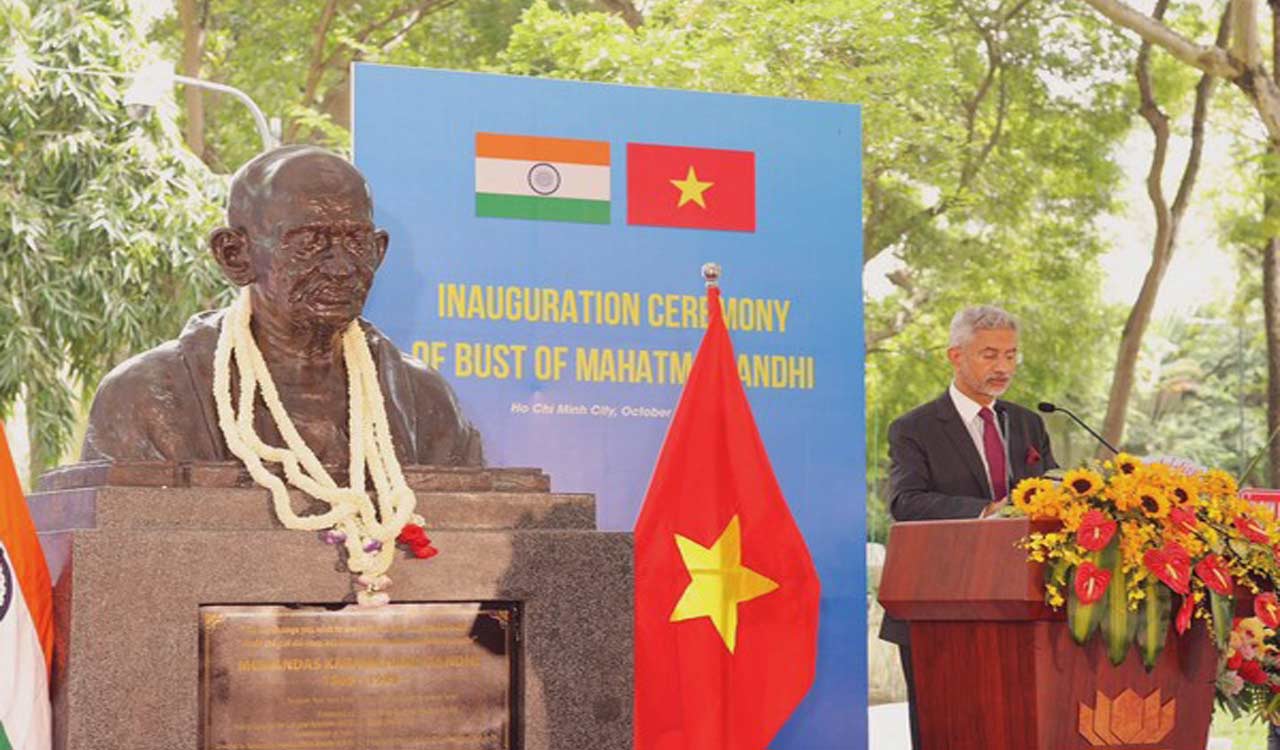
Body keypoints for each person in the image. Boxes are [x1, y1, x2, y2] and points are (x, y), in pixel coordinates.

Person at [81, 145, 482, 467]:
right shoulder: (149, 395)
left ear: (378, 251)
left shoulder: (425, 399)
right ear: (235, 255)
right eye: (308, 242)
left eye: (356, 242)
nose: (341, 267)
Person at [877, 305, 1057, 749]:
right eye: (990, 355)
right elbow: (906, 502)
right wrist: (989, 513)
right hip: (936, 606)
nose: (1003, 368)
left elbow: (1051, 490)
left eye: (1011, 355)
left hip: (1022, 606)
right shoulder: (914, 428)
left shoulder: (1028, 422)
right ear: (955, 356)